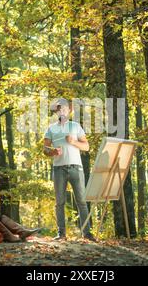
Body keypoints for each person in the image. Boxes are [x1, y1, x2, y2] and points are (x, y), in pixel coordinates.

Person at [43, 98, 96, 241]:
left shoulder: (75, 126)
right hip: (59, 169)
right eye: (59, 109)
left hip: (76, 168)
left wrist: (73, 142)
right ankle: (61, 234)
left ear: (69, 111)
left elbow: (86, 147)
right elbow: (45, 149)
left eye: (64, 109)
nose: (62, 111)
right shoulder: (51, 128)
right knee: (59, 202)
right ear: (57, 112)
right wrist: (53, 152)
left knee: (82, 202)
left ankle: (87, 233)